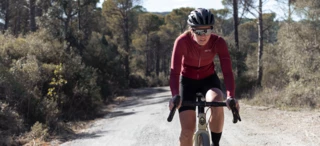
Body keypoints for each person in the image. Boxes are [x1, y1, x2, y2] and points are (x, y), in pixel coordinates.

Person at [168, 8, 240, 146]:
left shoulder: (218, 42)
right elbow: (174, 72)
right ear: (191, 30)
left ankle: (215, 143)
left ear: (212, 29)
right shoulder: (182, 42)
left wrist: (231, 96)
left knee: (217, 99)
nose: (203, 36)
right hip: (187, 82)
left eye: (207, 30)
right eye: (199, 31)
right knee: (187, 132)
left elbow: (228, 72)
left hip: (208, 79)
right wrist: (175, 95)